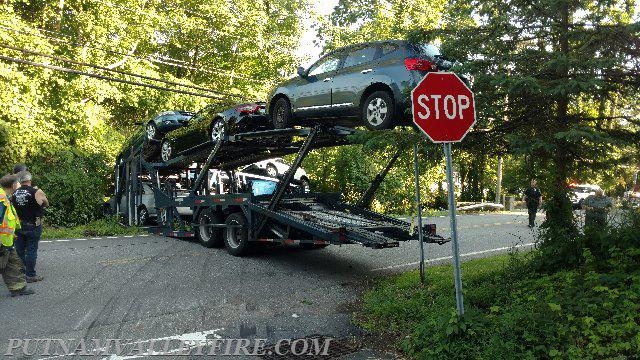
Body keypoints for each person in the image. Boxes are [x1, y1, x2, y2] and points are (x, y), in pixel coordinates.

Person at [0, 174, 34, 296]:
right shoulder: (1, 199)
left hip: (7, 240)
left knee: (13, 264)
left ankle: (18, 288)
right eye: (18, 183)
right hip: (2, 241)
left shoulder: (6, 197)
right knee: (4, 264)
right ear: (14, 185)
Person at [12, 171, 48, 283]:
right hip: (33, 224)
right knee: (31, 249)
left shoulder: (14, 193)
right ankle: (31, 275)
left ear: (19, 181)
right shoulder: (36, 191)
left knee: (20, 250)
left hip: (18, 224)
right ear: (30, 180)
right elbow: (46, 203)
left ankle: (21, 274)